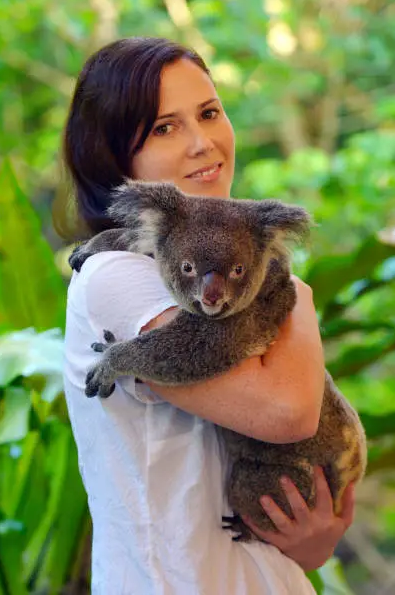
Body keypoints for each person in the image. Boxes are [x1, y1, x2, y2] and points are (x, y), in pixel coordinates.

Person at [61, 37, 355, 594]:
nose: (203, 143)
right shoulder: (115, 276)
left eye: (210, 113)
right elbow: (289, 413)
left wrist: (315, 542)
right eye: (165, 128)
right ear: (113, 154)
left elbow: (308, 524)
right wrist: (297, 291)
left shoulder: (206, 255)